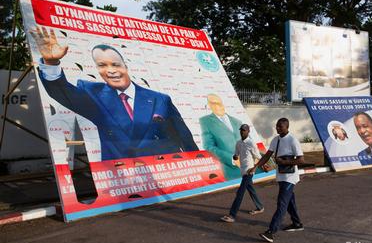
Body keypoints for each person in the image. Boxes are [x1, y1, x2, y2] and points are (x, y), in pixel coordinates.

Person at [31, 26, 198, 161]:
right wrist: (51, 63)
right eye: (102, 65)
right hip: (122, 178)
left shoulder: (160, 99)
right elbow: (63, 93)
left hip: (165, 171)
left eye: (115, 64)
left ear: (126, 66)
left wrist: (197, 163)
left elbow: (183, 136)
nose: (110, 70)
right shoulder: (94, 95)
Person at [248, 118, 305, 243]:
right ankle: (297, 223)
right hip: (281, 176)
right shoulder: (276, 140)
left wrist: (285, 162)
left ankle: (271, 232)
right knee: (289, 201)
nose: (277, 128)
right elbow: (267, 155)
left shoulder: (292, 140)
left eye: (280, 127)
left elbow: (301, 160)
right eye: (277, 126)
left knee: (282, 203)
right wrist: (256, 166)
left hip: (290, 177)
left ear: (287, 127)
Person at [220, 124, 264, 223]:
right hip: (243, 171)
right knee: (251, 189)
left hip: (249, 171)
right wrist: (235, 157)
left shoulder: (251, 143)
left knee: (240, 193)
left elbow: (258, 156)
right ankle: (260, 207)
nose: (242, 132)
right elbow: (236, 155)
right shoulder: (238, 143)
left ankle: (232, 215)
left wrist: (261, 166)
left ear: (248, 132)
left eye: (244, 130)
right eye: (241, 130)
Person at [199, 94, 242, 179]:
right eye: (212, 103)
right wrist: (232, 159)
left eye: (218, 103)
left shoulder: (237, 121)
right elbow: (208, 146)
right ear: (209, 105)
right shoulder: (205, 121)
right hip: (232, 170)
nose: (216, 106)